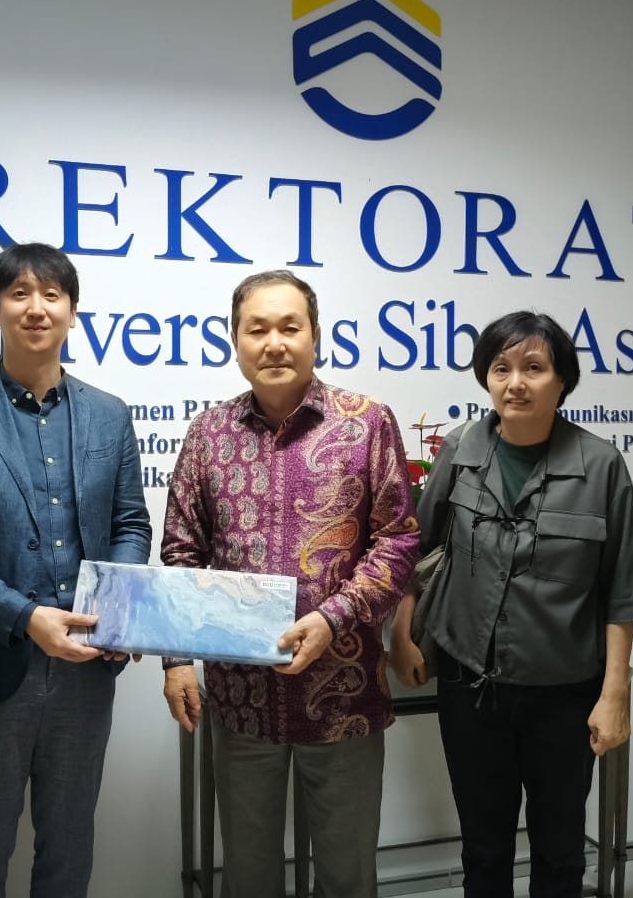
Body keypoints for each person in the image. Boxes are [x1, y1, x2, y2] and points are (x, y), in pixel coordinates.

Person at [161, 269, 419, 898]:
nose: (274, 343)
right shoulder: (208, 434)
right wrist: (176, 659)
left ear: (315, 335)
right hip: (241, 699)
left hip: (344, 696)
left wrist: (333, 616)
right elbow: (181, 551)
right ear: (235, 340)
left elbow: (398, 540)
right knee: (248, 875)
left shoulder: (366, 423)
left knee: (347, 875)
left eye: (289, 327)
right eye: (257, 329)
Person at [0, 242, 152, 898]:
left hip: (85, 674)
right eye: (19, 294)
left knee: (70, 850)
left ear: (73, 310)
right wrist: (26, 617)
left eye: (51, 294)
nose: (36, 308)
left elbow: (131, 524)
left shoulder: (109, 414)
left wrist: (116, 608)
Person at [390, 310, 633, 898]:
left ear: (562, 381)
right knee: (483, 850)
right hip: (469, 684)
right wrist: (402, 636)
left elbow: (623, 589)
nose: (515, 383)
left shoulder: (601, 465)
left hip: (564, 693)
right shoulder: (461, 448)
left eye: (533, 368)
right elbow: (415, 548)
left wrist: (614, 694)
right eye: (501, 368)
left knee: (560, 852)